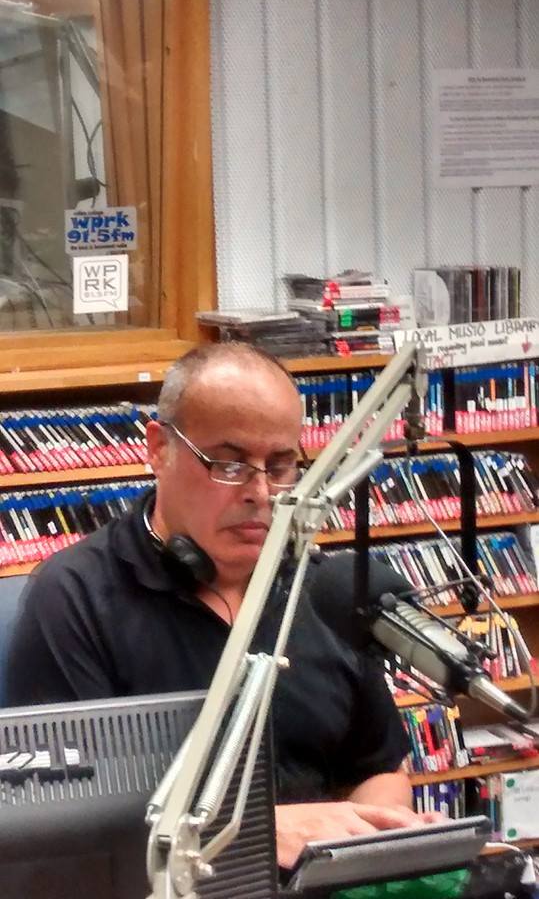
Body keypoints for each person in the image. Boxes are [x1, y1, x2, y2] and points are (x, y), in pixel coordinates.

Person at [6, 342, 438, 868]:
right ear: (159, 448)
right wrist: (262, 834)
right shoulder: (74, 599)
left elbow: (378, 768)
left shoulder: (324, 590)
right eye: (229, 464)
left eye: (280, 465)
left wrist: (376, 838)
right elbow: (65, 827)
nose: (261, 492)